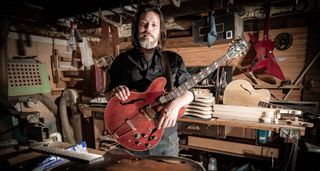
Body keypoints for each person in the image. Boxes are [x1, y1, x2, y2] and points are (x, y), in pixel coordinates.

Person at [107, 6, 194, 157]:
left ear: (160, 31)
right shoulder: (122, 60)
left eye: (154, 25)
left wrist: (177, 103)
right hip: (132, 137)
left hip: (166, 139)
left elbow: (190, 92)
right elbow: (108, 95)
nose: (148, 28)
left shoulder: (173, 60)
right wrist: (115, 93)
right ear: (136, 28)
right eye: (144, 24)